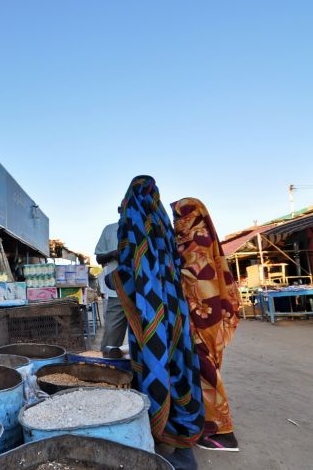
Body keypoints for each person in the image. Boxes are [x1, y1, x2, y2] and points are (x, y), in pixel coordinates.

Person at [112, 176, 203, 470]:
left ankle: (164, 444)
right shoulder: (161, 219)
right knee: (178, 362)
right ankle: (183, 445)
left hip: (150, 309)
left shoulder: (134, 218)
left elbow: (131, 266)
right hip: (173, 306)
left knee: (155, 365)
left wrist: (112, 279)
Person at [172, 197, 241, 452]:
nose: (177, 223)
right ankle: (209, 424)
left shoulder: (196, 241)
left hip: (202, 314)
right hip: (204, 313)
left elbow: (194, 277)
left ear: (193, 216)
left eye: (181, 217)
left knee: (206, 371)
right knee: (204, 368)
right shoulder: (195, 239)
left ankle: (223, 433)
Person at [94, 207, 127, 358]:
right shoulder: (110, 230)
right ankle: (106, 371)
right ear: (119, 210)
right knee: (111, 340)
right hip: (117, 292)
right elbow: (99, 258)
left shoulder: (143, 228)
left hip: (142, 293)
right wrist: (113, 254)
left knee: (143, 338)